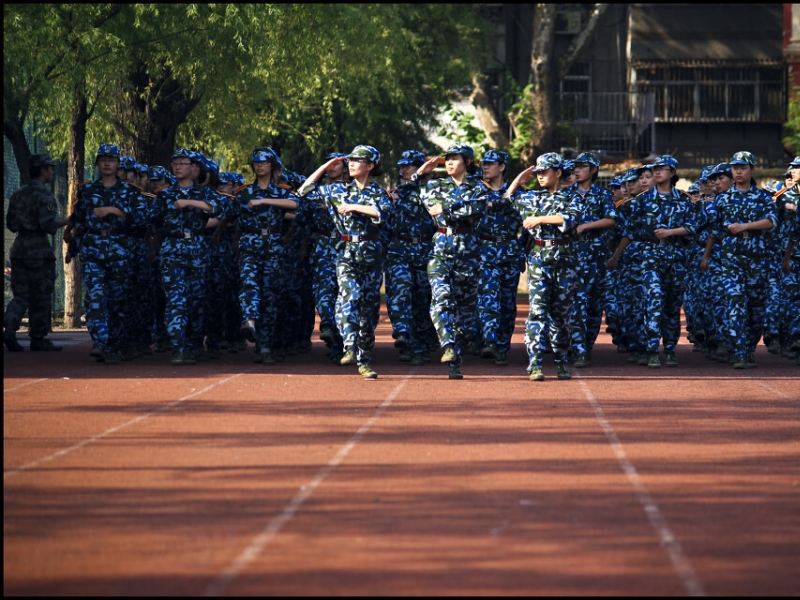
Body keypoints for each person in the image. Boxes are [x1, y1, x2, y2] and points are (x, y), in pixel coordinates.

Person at [299, 145, 386, 380]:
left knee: (368, 314)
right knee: (349, 296)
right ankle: (349, 346)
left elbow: (382, 212)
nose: (352, 163)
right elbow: (304, 190)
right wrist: (325, 168)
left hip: (370, 254)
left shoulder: (378, 192)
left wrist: (354, 206)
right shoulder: (336, 189)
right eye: (350, 160)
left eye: (359, 160)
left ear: (370, 166)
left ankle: (364, 358)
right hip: (346, 253)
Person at [609, 155, 692, 368]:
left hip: (675, 256)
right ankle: (652, 349)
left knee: (672, 306)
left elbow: (693, 227)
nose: (657, 172)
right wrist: (617, 255)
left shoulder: (684, 200)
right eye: (655, 169)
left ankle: (671, 349)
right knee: (653, 301)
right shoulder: (642, 201)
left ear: (672, 173)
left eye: (662, 169)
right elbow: (629, 231)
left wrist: (671, 232)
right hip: (650, 255)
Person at [414, 143, 489, 380]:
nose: (449, 162)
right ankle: (447, 345)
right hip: (441, 250)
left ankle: (457, 353)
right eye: (447, 159)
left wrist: (448, 206)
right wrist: (458, 208)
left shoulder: (478, 187)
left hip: (468, 254)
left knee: (466, 311)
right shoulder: (435, 185)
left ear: (467, 162)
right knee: (441, 297)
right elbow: (431, 209)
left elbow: (477, 209)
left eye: (455, 158)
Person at [505, 152, 580, 381]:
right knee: (537, 312)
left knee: (562, 316)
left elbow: (571, 218)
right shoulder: (530, 197)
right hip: (538, 259)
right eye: (537, 172)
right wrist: (519, 180)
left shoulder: (572, 197)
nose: (539, 176)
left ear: (558, 173)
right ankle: (535, 363)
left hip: (565, 261)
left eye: (544, 172)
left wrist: (540, 219)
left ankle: (560, 360)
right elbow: (506, 200)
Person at [702, 151, 777, 369]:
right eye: (735, 168)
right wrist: (706, 256)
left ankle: (748, 348)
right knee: (735, 301)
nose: (738, 171)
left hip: (756, 257)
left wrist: (745, 226)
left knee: (757, 309)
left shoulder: (763, 197)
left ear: (751, 170)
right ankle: (740, 352)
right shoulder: (723, 198)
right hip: (731, 257)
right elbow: (714, 231)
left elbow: (771, 222)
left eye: (743, 168)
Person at [68, 144, 141, 364]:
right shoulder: (87, 190)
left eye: (111, 159)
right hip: (93, 249)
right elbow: (79, 220)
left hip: (120, 250)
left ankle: (114, 343)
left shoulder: (129, 192)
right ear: (98, 163)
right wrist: (73, 246)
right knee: (96, 296)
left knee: (118, 299)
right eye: (103, 159)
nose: (107, 163)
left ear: (118, 164)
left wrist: (115, 210)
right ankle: (100, 342)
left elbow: (139, 221)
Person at [149, 148, 220, 365]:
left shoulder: (204, 193)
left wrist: (190, 203)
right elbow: (154, 222)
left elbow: (219, 209)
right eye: (175, 163)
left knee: (196, 303)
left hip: (198, 250)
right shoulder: (164, 195)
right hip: (172, 250)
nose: (178, 167)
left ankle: (194, 344)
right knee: (175, 300)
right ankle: (179, 346)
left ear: (193, 168)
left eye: (183, 163)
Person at [229, 148, 297, 365]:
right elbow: (233, 217)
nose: (259, 165)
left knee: (270, 296)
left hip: (273, 246)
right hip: (250, 243)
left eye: (264, 162)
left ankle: (265, 345)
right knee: (249, 284)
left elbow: (297, 205)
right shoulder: (244, 192)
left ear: (272, 165)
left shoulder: (282, 192)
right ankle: (249, 321)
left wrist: (265, 202)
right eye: (256, 162)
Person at [4, 153, 68, 352]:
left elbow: (11, 224)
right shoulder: (46, 196)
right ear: (42, 170)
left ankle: (9, 329)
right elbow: (48, 226)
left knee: (20, 295)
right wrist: (68, 221)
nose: (52, 171)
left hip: (19, 247)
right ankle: (38, 338)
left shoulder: (17, 194)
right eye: (50, 168)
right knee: (41, 294)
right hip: (39, 251)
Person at [380, 150, 439, 365]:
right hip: (399, 250)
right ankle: (403, 334)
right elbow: (386, 223)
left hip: (425, 249)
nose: (404, 169)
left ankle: (421, 344)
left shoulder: (434, 192)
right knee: (401, 291)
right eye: (402, 166)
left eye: (410, 166)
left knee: (423, 298)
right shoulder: (399, 193)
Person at [474, 149, 523, 366]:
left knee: (507, 301)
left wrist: (522, 251)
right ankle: (490, 342)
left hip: (510, 249)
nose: (485, 167)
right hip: (485, 248)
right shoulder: (476, 190)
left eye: (490, 163)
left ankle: (502, 346)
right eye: (483, 163)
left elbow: (528, 225)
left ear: (502, 167)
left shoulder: (520, 193)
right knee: (487, 297)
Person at [569, 151, 616, 368]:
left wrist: (586, 226)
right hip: (572, 252)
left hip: (596, 253)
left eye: (582, 166)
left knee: (595, 305)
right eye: (575, 166)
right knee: (577, 301)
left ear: (594, 169)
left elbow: (610, 220)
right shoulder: (566, 193)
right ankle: (578, 349)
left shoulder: (602, 195)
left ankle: (586, 345)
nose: (577, 170)